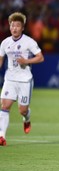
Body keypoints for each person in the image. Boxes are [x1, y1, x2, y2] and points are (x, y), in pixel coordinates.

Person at [0, 12, 45, 146]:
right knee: (5, 105)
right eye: (12, 25)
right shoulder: (5, 43)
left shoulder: (29, 42)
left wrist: (26, 61)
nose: (14, 28)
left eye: (17, 26)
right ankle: (1, 136)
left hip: (25, 80)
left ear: (22, 28)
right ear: (10, 27)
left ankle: (26, 118)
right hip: (10, 79)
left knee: (22, 110)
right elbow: (1, 59)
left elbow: (41, 57)